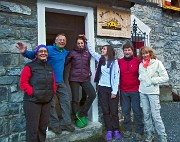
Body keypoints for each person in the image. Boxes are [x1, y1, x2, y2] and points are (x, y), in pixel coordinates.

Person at [16, 34, 75, 134]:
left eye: (64, 40)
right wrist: (25, 52)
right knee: (51, 104)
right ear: (55, 41)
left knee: (65, 101)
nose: (62, 41)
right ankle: (54, 125)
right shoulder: (48, 49)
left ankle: (66, 123)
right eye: (60, 40)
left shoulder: (65, 52)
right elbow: (33, 54)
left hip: (60, 82)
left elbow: (76, 53)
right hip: (48, 82)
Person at [85, 35, 121, 141]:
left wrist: (114, 91)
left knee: (113, 111)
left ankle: (116, 130)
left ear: (108, 51)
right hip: (102, 88)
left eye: (104, 49)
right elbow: (92, 51)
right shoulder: (100, 59)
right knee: (105, 110)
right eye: (102, 49)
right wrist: (87, 41)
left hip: (112, 89)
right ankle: (109, 130)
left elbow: (116, 77)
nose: (102, 50)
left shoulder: (114, 63)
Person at [20, 44, 56, 142]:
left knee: (42, 128)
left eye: (45, 51)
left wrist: (52, 92)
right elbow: (23, 83)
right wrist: (34, 92)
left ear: (47, 54)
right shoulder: (29, 66)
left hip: (46, 101)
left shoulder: (49, 67)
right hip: (32, 102)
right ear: (36, 53)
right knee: (33, 130)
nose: (43, 53)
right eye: (41, 51)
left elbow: (53, 82)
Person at [138, 46, 169, 142]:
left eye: (146, 53)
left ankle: (162, 136)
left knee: (156, 116)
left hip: (153, 93)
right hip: (143, 92)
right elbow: (140, 76)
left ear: (150, 53)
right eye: (143, 53)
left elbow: (165, 77)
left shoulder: (157, 63)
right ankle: (150, 134)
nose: (145, 55)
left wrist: (152, 80)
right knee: (146, 115)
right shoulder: (141, 65)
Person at [65, 35, 96, 128]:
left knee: (92, 94)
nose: (80, 45)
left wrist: (89, 72)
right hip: (74, 79)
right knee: (75, 99)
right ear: (76, 44)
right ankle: (75, 117)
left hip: (85, 78)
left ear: (84, 44)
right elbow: (64, 63)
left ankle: (82, 113)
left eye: (82, 43)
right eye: (78, 43)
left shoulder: (88, 53)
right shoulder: (72, 53)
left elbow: (91, 56)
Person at [118, 42, 144, 141]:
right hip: (124, 90)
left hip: (135, 90)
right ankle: (128, 129)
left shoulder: (137, 61)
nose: (127, 52)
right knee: (125, 111)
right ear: (123, 51)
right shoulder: (119, 62)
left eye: (129, 50)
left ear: (132, 51)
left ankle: (139, 131)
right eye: (125, 50)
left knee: (137, 112)